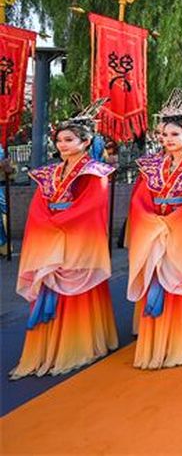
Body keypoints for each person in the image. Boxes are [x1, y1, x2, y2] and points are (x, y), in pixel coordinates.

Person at [10, 98, 119, 378]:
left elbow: (92, 205)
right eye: (59, 140)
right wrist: (46, 223)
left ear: (86, 142)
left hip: (77, 238)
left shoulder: (95, 171)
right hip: (51, 234)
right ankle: (47, 348)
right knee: (51, 286)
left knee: (77, 292)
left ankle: (78, 345)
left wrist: (59, 222)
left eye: (69, 140)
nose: (62, 145)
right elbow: (38, 204)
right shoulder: (49, 172)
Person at [127, 89, 182, 369]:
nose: (168, 139)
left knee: (180, 282)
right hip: (155, 230)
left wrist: (175, 221)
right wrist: (150, 219)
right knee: (156, 279)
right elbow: (140, 198)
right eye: (164, 135)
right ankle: (156, 344)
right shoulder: (151, 166)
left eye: (175, 134)